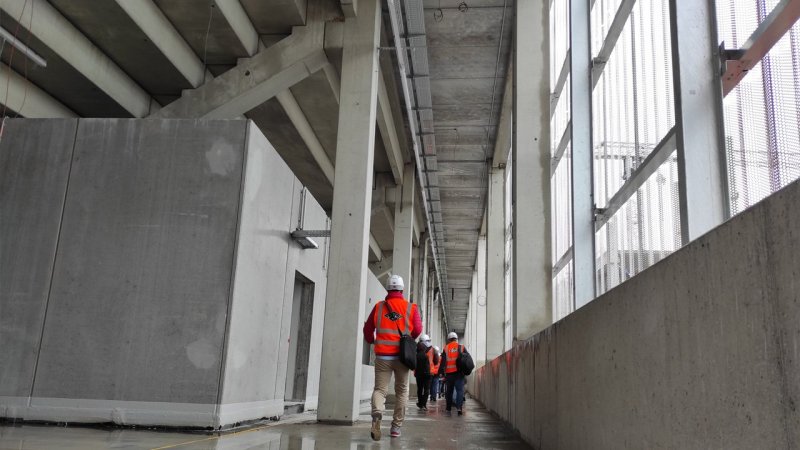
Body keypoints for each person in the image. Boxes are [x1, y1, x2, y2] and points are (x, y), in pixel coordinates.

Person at [362, 274, 422, 440]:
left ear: (387, 289)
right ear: (402, 289)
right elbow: (418, 329)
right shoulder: (411, 307)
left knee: (380, 390)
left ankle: (377, 413)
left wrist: (372, 340)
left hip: (383, 356)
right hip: (403, 357)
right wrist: (407, 339)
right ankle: (396, 427)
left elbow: (368, 330)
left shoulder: (379, 307)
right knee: (401, 391)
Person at [439, 331, 467, 415]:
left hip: (449, 373)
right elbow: (467, 359)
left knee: (449, 391)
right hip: (459, 373)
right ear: (456, 339)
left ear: (449, 339)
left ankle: (448, 408)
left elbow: (443, 362)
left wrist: (441, 372)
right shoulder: (461, 347)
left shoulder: (446, 348)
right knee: (459, 391)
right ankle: (459, 408)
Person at [414, 334, 438, 410]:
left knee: (420, 388)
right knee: (427, 389)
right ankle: (424, 404)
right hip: (429, 372)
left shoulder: (416, 349)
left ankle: (420, 403)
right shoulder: (433, 350)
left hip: (418, 372)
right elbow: (436, 361)